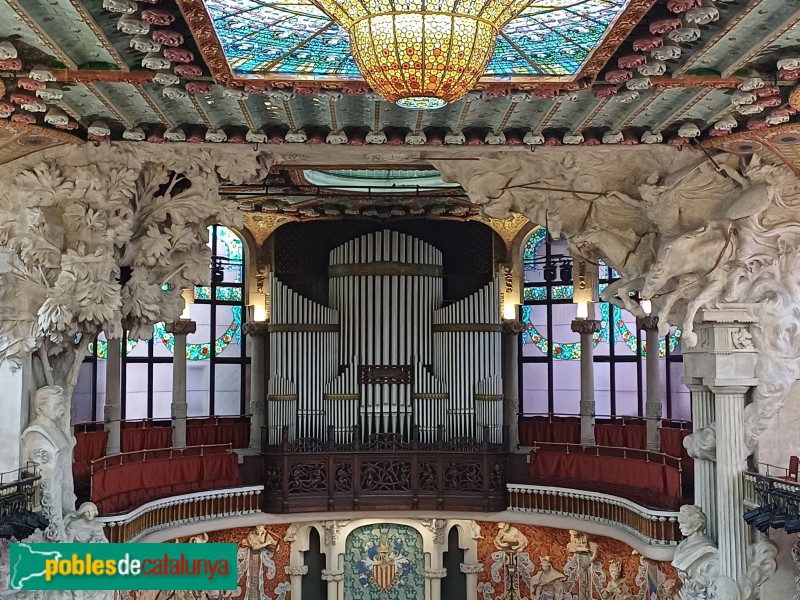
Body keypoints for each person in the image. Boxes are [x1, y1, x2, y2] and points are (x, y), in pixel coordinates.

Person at [21, 386, 77, 541]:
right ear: (41, 406)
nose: (62, 408)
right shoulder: (36, 433)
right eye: (57, 404)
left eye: (62, 404)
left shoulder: (56, 430)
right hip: (50, 502)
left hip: (62, 495)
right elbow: (47, 482)